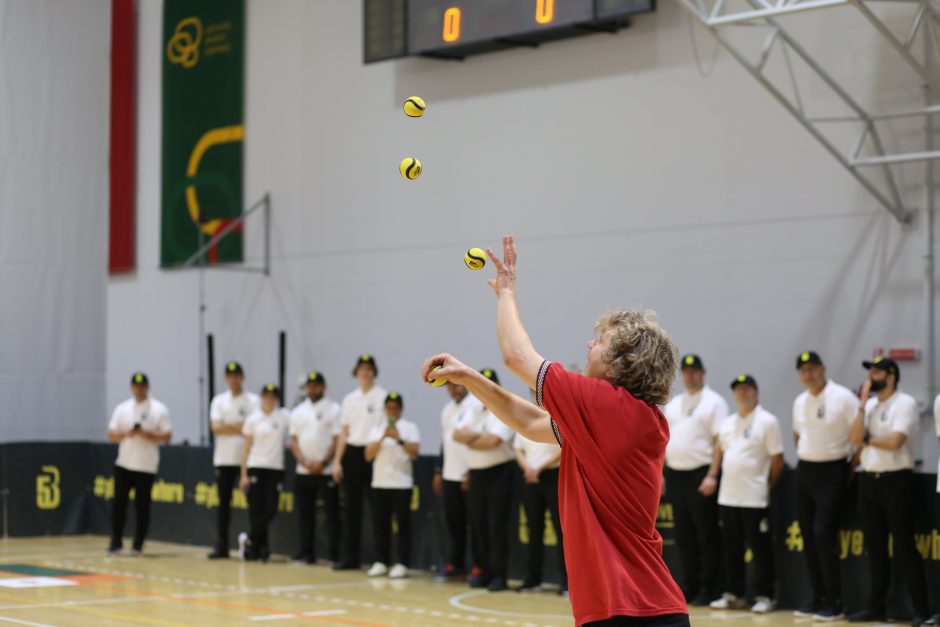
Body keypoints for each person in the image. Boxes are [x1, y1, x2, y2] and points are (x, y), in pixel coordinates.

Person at [422, 235, 689, 627]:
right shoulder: (619, 420)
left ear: (622, 364)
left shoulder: (606, 406)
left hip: (630, 611)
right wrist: (469, 378)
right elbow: (530, 422)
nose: (589, 343)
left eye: (601, 342)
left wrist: (507, 293)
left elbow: (517, 356)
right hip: (642, 610)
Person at [848, 357, 929, 627]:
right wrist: (860, 404)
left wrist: (869, 440)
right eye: (870, 371)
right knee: (875, 547)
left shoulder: (904, 403)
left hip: (896, 481)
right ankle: (876, 606)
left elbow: (895, 441)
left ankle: (921, 608)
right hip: (869, 480)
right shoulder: (869, 405)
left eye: (877, 371)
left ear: (891, 376)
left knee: (905, 546)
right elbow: (854, 437)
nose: (871, 376)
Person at [791, 351, 859, 620]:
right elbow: (798, 435)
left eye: (812, 368)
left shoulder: (843, 397)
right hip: (806, 470)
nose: (808, 375)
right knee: (807, 535)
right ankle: (817, 597)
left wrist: (847, 469)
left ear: (823, 368)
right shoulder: (800, 401)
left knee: (822, 533)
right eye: (803, 370)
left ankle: (835, 601)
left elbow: (859, 436)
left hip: (833, 470)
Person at [709, 374, 784, 614]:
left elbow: (777, 460)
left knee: (760, 550)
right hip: (728, 496)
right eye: (738, 389)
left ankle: (765, 596)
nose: (743, 393)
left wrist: (765, 485)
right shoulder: (728, 423)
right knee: (731, 549)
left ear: (756, 392)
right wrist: (712, 475)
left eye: (747, 389)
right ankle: (735, 593)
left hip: (754, 498)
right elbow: (719, 452)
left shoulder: (767, 421)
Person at [661, 353, 728, 605]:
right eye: (686, 371)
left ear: (703, 372)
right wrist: (661, 473)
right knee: (684, 536)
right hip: (676, 474)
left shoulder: (714, 402)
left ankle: (710, 588)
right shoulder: (675, 403)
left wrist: (712, 475)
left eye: (694, 371)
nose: (690, 375)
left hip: (701, 474)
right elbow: (664, 440)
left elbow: (719, 441)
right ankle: (690, 586)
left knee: (706, 535)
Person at [453, 368, 516, 592]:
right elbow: (456, 435)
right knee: (478, 526)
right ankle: (483, 571)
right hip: (477, 474)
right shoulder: (472, 409)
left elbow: (493, 442)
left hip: (499, 472)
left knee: (497, 526)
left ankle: (499, 575)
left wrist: (471, 439)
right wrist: (477, 437)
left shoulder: (505, 409)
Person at [332, 354, 387, 570]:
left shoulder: (382, 397)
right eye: (362, 368)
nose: (365, 372)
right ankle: (350, 557)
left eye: (369, 368)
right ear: (356, 372)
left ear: (374, 371)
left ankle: (380, 558)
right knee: (351, 509)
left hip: (373, 453)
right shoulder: (349, 399)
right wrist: (337, 461)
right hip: (353, 454)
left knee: (377, 509)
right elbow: (344, 432)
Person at [107, 372, 172, 555]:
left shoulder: (158, 409)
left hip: (146, 465)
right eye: (136, 385)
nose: (139, 389)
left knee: (142, 506)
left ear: (147, 387)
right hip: (124, 463)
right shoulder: (123, 408)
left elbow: (167, 436)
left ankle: (138, 544)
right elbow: (111, 435)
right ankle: (116, 541)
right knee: (119, 503)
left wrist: (148, 434)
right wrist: (126, 434)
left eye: (142, 386)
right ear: (131, 387)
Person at [364, 392, 420, 579]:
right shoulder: (377, 428)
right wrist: (382, 438)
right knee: (380, 524)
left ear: (401, 410)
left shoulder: (410, 427)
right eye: (389, 408)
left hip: (402, 484)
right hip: (380, 483)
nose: (392, 411)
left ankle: (402, 563)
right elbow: (368, 455)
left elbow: (414, 453)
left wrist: (399, 439)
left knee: (402, 525)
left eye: (395, 408)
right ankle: (381, 561)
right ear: (385, 409)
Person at [208, 361, 259, 559]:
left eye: (237, 375)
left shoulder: (253, 400)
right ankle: (221, 544)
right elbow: (215, 427)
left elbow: (251, 428)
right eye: (230, 375)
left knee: (253, 503)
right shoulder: (219, 401)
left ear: (242, 377)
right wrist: (240, 426)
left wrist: (228, 425)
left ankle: (254, 544)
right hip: (224, 458)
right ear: (225, 378)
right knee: (223, 503)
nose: (233, 379)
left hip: (248, 458)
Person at [288, 371, 341, 565]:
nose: (312, 389)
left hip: (324, 471)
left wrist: (324, 462)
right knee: (305, 514)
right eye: (309, 386)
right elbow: (293, 440)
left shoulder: (333, 409)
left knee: (331, 514)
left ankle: (335, 554)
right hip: (304, 470)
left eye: (316, 386)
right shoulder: (298, 411)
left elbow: (337, 439)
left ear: (323, 387)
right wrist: (302, 461)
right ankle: (306, 552)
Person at [239, 384, 289, 563]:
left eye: (273, 396)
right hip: (256, 466)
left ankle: (250, 540)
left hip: (275, 468)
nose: (269, 399)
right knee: (256, 509)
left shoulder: (283, 417)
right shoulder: (253, 419)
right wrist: (243, 474)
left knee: (270, 509)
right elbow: (245, 448)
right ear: (261, 397)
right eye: (266, 395)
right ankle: (260, 549)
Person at [432, 381, 478, 579]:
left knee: (474, 523)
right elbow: (445, 442)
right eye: (450, 387)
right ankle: (455, 563)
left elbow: (475, 439)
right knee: (454, 523)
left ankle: (477, 565)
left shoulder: (475, 406)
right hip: (449, 473)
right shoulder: (446, 410)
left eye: (457, 386)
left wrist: (470, 470)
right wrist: (438, 470)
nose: (453, 390)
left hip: (468, 472)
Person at [514, 420, 566, 595]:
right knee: (533, 529)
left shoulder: (559, 418)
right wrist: (529, 469)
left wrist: (540, 468)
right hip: (531, 479)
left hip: (553, 475)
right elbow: (518, 449)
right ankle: (532, 580)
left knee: (562, 530)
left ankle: (566, 582)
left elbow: (565, 446)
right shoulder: (526, 419)